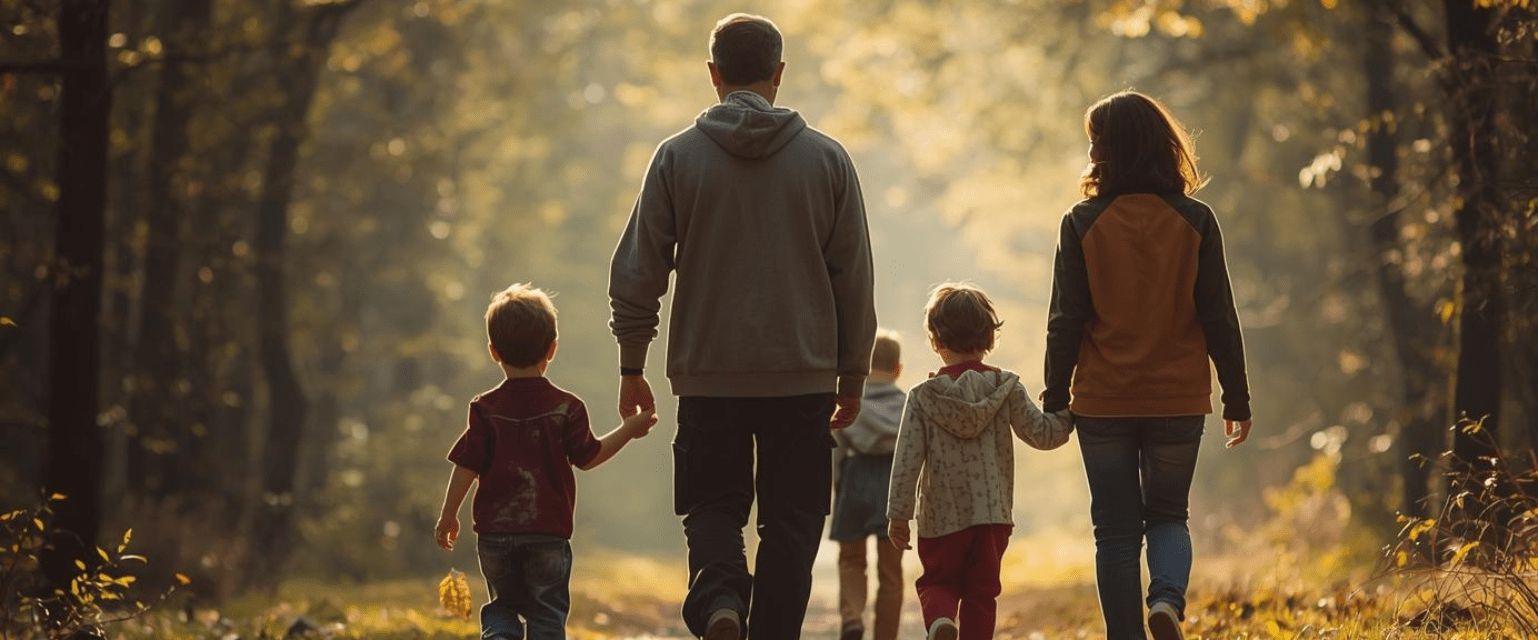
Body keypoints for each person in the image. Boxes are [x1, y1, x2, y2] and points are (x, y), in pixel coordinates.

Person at [606, 12, 877, 640]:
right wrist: (853, 372)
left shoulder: (676, 158)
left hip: (708, 377)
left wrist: (631, 364)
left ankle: (723, 597)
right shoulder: (828, 160)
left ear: (713, 75)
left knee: (711, 506)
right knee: (793, 518)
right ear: (779, 73)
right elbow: (854, 278)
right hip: (802, 378)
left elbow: (638, 271)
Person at [1041, 90, 1254, 640]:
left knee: (1114, 532)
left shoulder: (1081, 223)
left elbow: (1065, 319)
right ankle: (1165, 601)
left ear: (1107, 150)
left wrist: (1055, 398)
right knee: (1168, 516)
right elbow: (1219, 317)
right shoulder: (1197, 221)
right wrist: (1237, 397)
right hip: (1177, 398)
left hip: (1104, 402)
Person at [434, 283, 658, 640]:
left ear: (494, 351)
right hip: (548, 535)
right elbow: (590, 456)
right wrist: (628, 430)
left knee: (502, 608)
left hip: (495, 534)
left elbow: (466, 464)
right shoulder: (566, 408)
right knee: (546, 613)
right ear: (552, 349)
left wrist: (449, 514)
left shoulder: (485, 409)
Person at [887, 283, 1073, 640]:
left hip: (940, 518)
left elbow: (907, 460)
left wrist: (899, 514)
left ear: (936, 341)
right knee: (981, 594)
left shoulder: (923, 398)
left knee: (937, 582)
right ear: (990, 337)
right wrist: (1065, 410)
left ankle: (941, 622)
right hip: (992, 516)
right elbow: (1043, 435)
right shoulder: (1007, 389)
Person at [830, 331, 907, 640]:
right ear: (897, 369)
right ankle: (885, 635)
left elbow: (834, 448)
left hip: (855, 475)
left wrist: (837, 486)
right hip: (894, 481)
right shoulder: (907, 404)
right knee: (890, 572)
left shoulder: (852, 405)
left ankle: (852, 617)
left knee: (851, 560)